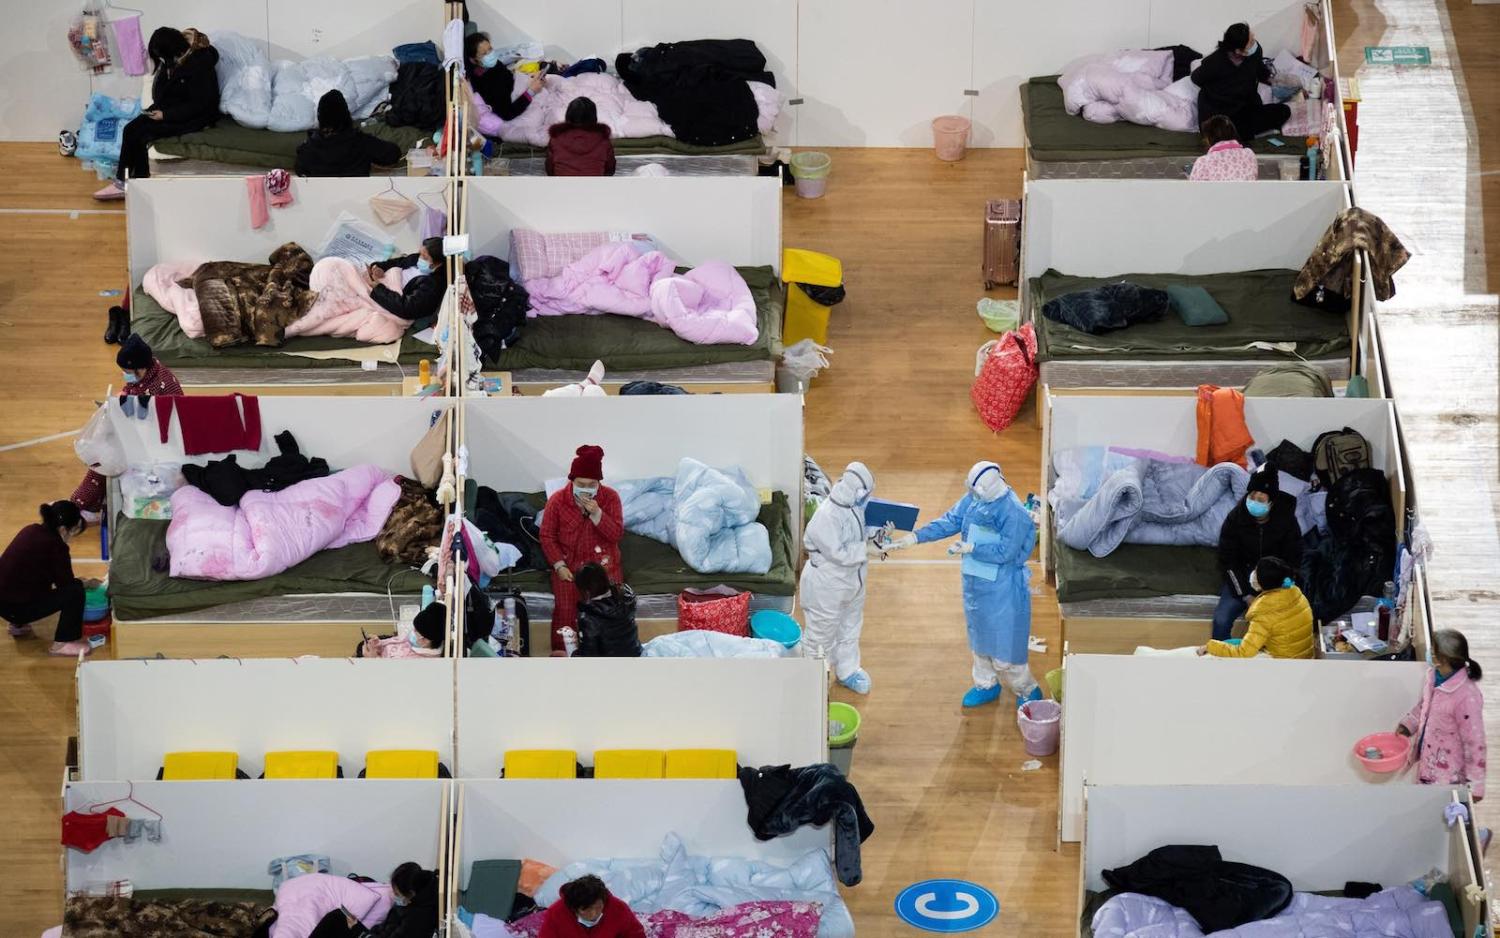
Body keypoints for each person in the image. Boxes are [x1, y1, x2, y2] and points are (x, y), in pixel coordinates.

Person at [889, 462, 1042, 709]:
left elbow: (1006, 551)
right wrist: (915, 537)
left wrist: (973, 548)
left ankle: (1026, 689)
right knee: (979, 639)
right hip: (975, 583)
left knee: (1005, 648)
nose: (975, 497)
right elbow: (951, 520)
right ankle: (986, 684)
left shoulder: (1013, 512)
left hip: (1003, 588)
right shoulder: (975, 498)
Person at [95, 28, 220, 199]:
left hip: (196, 117)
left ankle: (130, 182)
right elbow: (166, 92)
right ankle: (131, 181)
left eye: (162, 55)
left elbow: (200, 104)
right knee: (132, 128)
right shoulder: (173, 60)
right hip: (170, 110)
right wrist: (157, 109)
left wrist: (166, 115)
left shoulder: (200, 64)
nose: (160, 60)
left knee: (141, 133)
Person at [71, 334, 183, 523]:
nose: (126, 375)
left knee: (103, 459)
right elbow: (134, 397)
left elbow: (156, 421)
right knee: (103, 454)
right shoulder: (149, 372)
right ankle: (86, 503)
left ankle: (78, 506)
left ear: (140, 368)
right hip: (144, 431)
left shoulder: (158, 387)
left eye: (128, 371)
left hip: (160, 442)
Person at [800, 462, 879, 694]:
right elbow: (839, 553)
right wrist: (866, 549)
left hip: (853, 582)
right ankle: (812, 680)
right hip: (828, 585)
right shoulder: (826, 515)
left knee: (850, 627)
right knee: (821, 634)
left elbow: (860, 530)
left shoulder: (853, 506)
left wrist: (877, 532)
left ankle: (847, 670)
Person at [541, 446, 625, 653]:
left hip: (603, 567)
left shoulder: (611, 498)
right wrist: (559, 565)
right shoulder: (557, 501)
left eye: (591, 484)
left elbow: (616, 534)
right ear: (572, 481)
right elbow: (547, 536)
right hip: (569, 567)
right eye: (581, 484)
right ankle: (562, 653)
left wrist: (597, 514)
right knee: (566, 610)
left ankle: (608, 653)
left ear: (599, 484)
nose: (586, 488)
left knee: (608, 609)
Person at [0, 502, 99, 657]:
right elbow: (66, 585)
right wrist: (85, 583)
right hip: (16, 609)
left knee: (26, 579)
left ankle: (17, 625)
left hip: (4, 604)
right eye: (73, 531)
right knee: (75, 592)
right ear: (63, 529)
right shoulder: (57, 547)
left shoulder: (31, 529)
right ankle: (63, 643)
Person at [1398, 629, 1486, 801]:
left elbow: (1475, 743)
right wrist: (1408, 725)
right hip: (1428, 760)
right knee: (1424, 804)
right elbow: (1425, 704)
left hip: (1449, 771)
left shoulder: (1467, 697)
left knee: (1444, 807)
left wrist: (1476, 787)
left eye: (1432, 652)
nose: (1429, 654)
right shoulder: (1434, 676)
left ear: (1443, 659)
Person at [1214, 469, 1301, 641]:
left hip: (1274, 577)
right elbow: (1227, 561)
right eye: (1252, 497)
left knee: (1281, 623)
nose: (1254, 502)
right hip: (1243, 574)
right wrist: (1246, 595)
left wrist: (1280, 587)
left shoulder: (1287, 521)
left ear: (1271, 502)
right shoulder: (1235, 518)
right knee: (1221, 620)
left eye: (1261, 500)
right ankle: (1219, 658)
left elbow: (1294, 557)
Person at [1190, 23, 1290, 143]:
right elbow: (1196, 78)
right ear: (1239, 51)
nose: (1254, 43)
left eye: (1252, 38)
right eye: (1250, 42)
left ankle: (1240, 136)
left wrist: (1274, 80)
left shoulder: (1255, 51)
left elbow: (1260, 69)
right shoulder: (1214, 63)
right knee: (1221, 137)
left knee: (1284, 111)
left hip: (1245, 108)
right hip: (1219, 115)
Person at [1196, 557, 1313, 659]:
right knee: (1230, 642)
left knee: (1219, 650)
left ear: (1263, 582)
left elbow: (1244, 652)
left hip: (1280, 662)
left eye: (1256, 572)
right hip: (1302, 655)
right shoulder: (1296, 594)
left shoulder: (1264, 612)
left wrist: (1211, 647)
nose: (1253, 574)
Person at [304, 862, 441, 938]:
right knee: (338, 916)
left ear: (410, 894)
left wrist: (358, 930)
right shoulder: (416, 900)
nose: (394, 896)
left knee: (336, 921)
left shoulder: (417, 919)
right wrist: (359, 927)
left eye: (397, 893)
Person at [296, 90, 403, 177]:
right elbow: (393, 154)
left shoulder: (308, 148)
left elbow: (300, 170)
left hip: (324, 200)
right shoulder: (361, 142)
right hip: (357, 198)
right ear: (346, 115)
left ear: (320, 117)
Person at [466, 32, 545, 132]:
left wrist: (530, 77)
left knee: (552, 79)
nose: (490, 54)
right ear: (473, 60)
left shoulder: (493, 65)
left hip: (519, 89)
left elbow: (509, 77)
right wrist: (531, 91)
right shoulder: (484, 83)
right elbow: (507, 113)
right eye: (484, 54)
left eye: (490, 49)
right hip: (517, 105)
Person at [368, 237, 445, 324]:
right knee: (351, 269)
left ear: (438, 264)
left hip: (385, 295)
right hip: (379, 282)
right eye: (420, 253)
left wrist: (379, 289)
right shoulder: (414, 259)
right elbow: (393, 263)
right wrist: (377, 267)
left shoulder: (432, 286)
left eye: (425, 257)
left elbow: (406, 308)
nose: (419, 258)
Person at [540, 874, 645, 938]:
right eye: (585, 910)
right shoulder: (556, 913)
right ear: (573, 909)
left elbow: (635, 934)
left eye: (598, 907)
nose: (594, 914)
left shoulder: (619, 908)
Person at [574, 563, 641, 657]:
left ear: (585, 590)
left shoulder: (588, 616)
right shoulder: (626, 597)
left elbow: (589, 656)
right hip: (635, 653)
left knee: (558, 655)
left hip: (610, 666)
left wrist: (573, 652)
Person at [546, 98, 616, 177]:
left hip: (563, 187)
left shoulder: (556, 138)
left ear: (568, 114)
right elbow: (610, 170)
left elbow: (550, 170)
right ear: (593, 116)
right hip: (595, 187)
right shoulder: (603, 140)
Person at [360, 602, 446, 659]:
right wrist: (379, 644)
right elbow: (397, 641)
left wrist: (373, 660)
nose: (412, 631)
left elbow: (389, 678)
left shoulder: (417, 662)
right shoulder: (419, 643)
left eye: (416, 630)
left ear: (425, 640)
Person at [1190, 114, 1259, 181]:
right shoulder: (1249, 154)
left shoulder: (1203, 162)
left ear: (1209, 138)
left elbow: (1193, 189)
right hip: (1246, 192)